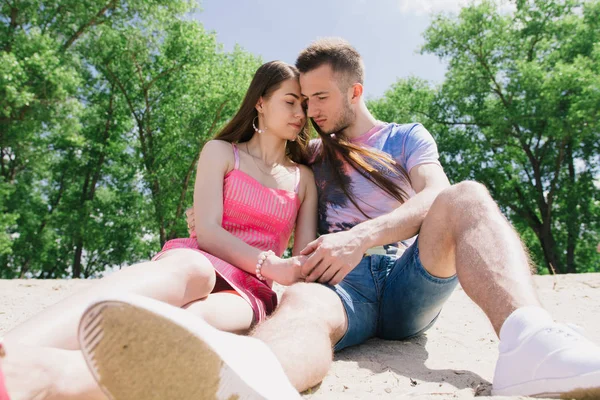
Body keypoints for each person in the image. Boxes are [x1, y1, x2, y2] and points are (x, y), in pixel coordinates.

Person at [69, 38, 599, 400]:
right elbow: (270, 197)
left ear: (354, 91)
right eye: (302, 99)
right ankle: (254, 380)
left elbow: (434, 196)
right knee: (301, 305)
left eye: (320, 97)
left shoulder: (406, 137)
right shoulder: (308, 163)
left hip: (413, 273)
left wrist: (362, 237)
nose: (310, 110)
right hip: (341, 283)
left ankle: (531, 344)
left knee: (468, 196)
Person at [0, 60, 316, 400]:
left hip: (250, 291)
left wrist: (286, 271)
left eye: (305, 105)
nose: (299, 112)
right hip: (199, 258)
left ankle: (48, 377)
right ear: (260, 102)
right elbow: (207, 232)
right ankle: (12, 356)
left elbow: (303, 260)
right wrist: (271, 264)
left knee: (193, 320)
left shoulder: (304, 179)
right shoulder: (221, 152)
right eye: (290, 101)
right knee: (193, 271)